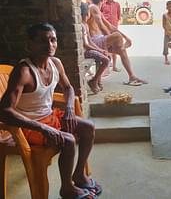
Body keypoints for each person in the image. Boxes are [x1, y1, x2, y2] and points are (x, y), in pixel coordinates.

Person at [0, 23, 101, 198]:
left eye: (53, 40)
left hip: (50, 116)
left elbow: (68, 88)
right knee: (68, 140)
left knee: (88, 127)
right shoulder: (23, 71)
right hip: (29, 127)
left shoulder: (55, 63)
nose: (49, 45)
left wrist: (69, 109)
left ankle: (79, 174)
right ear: (29, 44)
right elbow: (5, 111)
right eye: (42, 41)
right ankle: (67, 188)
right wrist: (43, 128)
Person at [88, 0, 147, 86]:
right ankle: (122, 46)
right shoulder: (93, 7)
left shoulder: (97, 10)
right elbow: (102, 26)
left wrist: (127, 38)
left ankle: (132, 76)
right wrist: (110, 38)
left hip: (100, 40)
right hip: (94, 41)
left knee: (122, 50)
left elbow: (111, 27)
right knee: (117, 37)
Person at [81, 2, 110, 94]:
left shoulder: (85, 25)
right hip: (86, 52)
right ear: (87, 14)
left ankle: (97, 81)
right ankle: (94, 81)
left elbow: (90, 41)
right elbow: (86, 45)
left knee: (106, 57)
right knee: (106, 60)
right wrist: (99, 50)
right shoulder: (81, 26)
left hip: (89, 50)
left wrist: (101, 50)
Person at [101, 0, 128, 72]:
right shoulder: (102, 5)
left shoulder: (117, 5)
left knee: (115, 47)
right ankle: (106, 67)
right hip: (105, 30)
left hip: (114, 29)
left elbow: (118, 16)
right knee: (106, 48)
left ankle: (114, 66)